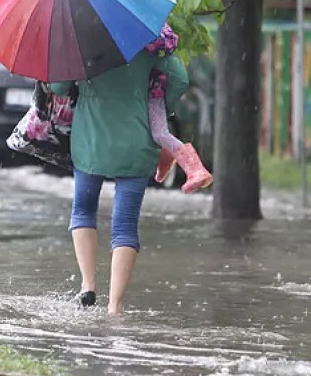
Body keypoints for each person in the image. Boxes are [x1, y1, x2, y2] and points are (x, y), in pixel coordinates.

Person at [50, 40, 190, 315]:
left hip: (91, 141)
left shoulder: (82, 41)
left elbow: (58, 87)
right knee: (125, 224)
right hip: (135, 140)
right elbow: (180, 80)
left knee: (83, 210)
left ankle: (88, 286)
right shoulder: (148, 41)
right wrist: (156, 101)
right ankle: (115, 306)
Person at [146, 24, 213, 193]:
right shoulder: (154, 23)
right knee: (159, 133)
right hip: (155, 89)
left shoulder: (144, 30)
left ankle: (195, 169)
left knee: (159, 133)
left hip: (151, 90)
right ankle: (167, 153)